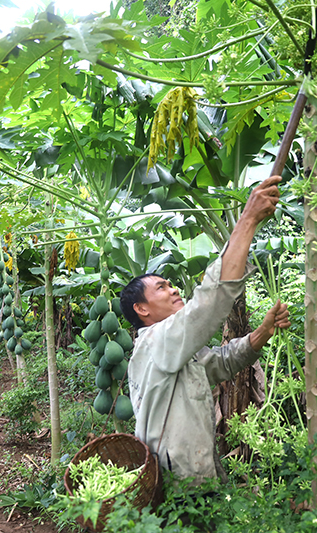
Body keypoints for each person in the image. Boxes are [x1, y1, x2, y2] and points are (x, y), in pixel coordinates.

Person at [121, 176, 291, 484]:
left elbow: (221, 362)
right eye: (162, 288)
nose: (173, 291)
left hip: (197, 473)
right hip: (176, 481)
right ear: (141, 309)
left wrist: (263, 331)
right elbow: (208, 304)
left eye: (171, 285)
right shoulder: (155, 342)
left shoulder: (178, 350)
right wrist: (248, 220)